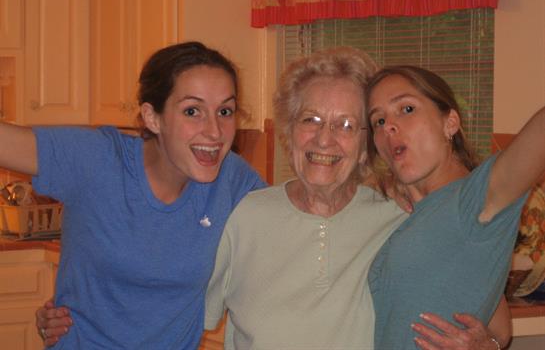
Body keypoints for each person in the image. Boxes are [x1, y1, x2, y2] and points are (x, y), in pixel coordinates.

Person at [37, 48, 511, 349]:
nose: (325, 139)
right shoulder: (243, 213)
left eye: (346, 125)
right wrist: (76, 315)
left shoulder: (397, 216)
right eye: (310, 120)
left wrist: (486, 346)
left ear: (367, 142)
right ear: (288, 131)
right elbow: (165, 300)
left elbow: (495, 319)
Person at [2, 41, 266, 349]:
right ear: (152, 118)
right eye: (192, 111)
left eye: (225, 111)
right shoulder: (98, 159)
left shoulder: (233, 179)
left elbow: (296, 223)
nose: (215, 131)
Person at [364, 66, 545, 349]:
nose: (389, 126)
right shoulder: (421, 212)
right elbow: (498, 326)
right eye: (379, 120)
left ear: (450, 123)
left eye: (407, 109)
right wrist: (490, 344)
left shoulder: (472, 199)